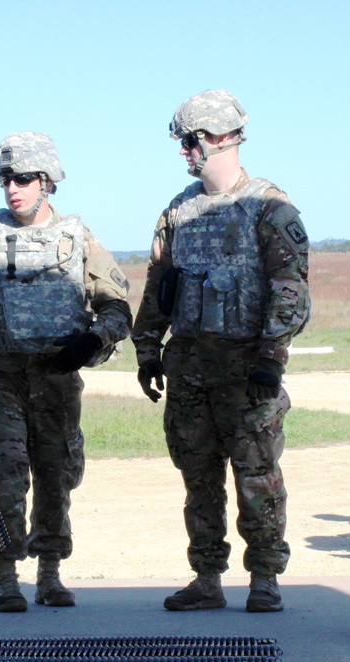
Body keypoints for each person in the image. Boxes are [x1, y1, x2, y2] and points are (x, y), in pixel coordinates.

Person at [0, 132, 132, 612]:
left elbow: (118, 307)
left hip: (56, 378)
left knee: (56, 475)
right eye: (5, 180)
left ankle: (50, 574)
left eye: (22, 179)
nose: (12, 189)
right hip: (1, 378)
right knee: (3, 472)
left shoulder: (77, 238)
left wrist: (93, 340)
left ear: (47, 180)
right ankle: (4, 576)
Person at [132, 90, 310, 613]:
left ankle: (265, 578)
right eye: (183, 141)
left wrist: (271, 358)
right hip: (189, 366)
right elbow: (159, 285)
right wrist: (147, 349)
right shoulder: (178, 211)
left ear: (225, 137)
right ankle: (207, 577)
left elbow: (290, 288)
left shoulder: (268, 207)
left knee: (257, 476)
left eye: (192, 140)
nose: (184, 151)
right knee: (198, 478)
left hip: (246, 367)